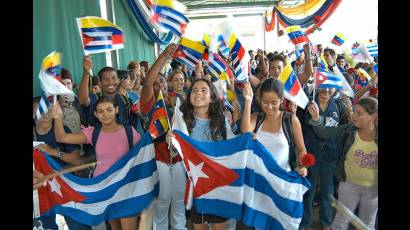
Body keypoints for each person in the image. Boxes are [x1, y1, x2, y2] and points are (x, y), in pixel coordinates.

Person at [53, 95, 142, 230]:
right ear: (95, 114)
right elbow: (62, 137)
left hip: (126, 189)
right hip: (104, 189)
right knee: (115, 227)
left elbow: (141, 159)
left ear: (116, 110)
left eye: (109, 110)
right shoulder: (93, 133)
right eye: (100, 111)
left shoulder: (130, 132)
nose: (105, 114)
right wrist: (58, 116)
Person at [166, 78, 237, 230]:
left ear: (212, 97)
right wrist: (170, 142)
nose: (198, 93)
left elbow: (232, 144)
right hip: (196, 185)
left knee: (220, 226)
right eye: (194, 90)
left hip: (219, 185)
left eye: (204, 90)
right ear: (189, 96)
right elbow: (174, 154)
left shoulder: (221, 120)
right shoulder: (181, 120)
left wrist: (247, 139)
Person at [306, 97, 378, 230]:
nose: (354, 116)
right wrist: (316, 118)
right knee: (340, 222)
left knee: (367, 224)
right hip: (348, 185)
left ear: (372, 116)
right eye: (354, 112)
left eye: (359, 113)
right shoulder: (349, 129)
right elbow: (325, 133)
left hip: (373, 191)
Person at [33, 97, 91, 230]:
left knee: (78, 224)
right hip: (40, 189)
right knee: (47, 226)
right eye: (40, 110)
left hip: (65, 185)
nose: (46, 114)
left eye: (49, 109)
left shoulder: (61, 130)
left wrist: (53, 152)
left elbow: (77, 160)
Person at [300, 87, 349, 230]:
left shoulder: (339, 105)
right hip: (311, 155)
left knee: (328, 192)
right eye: (323, 86)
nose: (326, 90)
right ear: (317, 86)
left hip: (331, 156)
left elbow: (343, 130)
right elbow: (302, 127)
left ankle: (326, 222)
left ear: (335, 89)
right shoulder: (307, 104)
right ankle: (305, 222)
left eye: (330, 87)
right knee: (308, 191)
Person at [241, 79, 307, 176]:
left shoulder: (291, 120)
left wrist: (302, 165)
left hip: (283, 180)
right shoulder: (256, 117)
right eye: (265, 102)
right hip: (258, 179)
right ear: (259, 99)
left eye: (274, 103)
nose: (269, 107)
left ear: (281, 100)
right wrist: (248, 100)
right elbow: (245, 131)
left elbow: (301, 149)